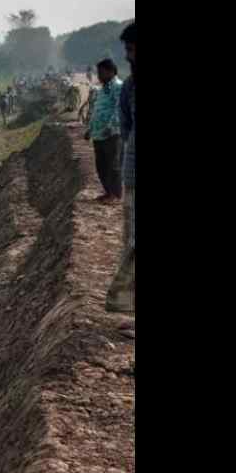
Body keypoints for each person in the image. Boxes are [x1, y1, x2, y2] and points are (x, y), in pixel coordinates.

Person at [107, 23, 136, 329]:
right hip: (133, 172)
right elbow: (126, 127)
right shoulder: (130, 86)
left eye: (130, 48)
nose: (127, 55)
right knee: (131, 239)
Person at [85, 58, 124, 203]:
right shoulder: (103, 89)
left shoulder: (118, 87)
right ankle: (108, 192)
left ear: (111, 71)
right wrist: (90, 129)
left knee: (112, 165)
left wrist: (110, 127)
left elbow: (119, 109)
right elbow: (97, 111)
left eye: (101, 73)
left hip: (112, 134)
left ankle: (115, 194)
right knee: (101, 165)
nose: (99, 76)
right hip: (98, 134)